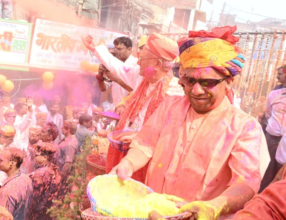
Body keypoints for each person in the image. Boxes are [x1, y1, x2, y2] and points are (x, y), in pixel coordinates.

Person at [112, 26, 270, 219]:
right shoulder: (170, 106)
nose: (195, 91)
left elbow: (246, 183)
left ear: (229, 81)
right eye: (188, 81)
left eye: (206, 83)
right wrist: (128, 163)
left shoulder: (244, 127)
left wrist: (213, 207)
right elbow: (145, 144)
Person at [86, 33, 182, 182]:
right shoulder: (141, 76)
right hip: (127, 152)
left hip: (151, 161)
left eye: (142, 59)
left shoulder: (176, 92)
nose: (138, 63)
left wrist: (139, 136)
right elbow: (118, 67)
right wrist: (96, 47)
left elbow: (172, 136)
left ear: (157, 64)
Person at [82, 36, 141, 107]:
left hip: (129, 109)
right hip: (117, 108)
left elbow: (137, 92)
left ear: (129, 49)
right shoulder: (114, 65)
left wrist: (115, 79)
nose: (117, 52)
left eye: (120, 49)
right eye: (115, 49)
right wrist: (100, 76)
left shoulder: (137, 66)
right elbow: (103, 88)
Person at [0, 148, 33, 220]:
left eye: (1, 160)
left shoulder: (7, 191)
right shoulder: (26, 179)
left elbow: (3, 218)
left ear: (12, 163)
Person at [259, 85, 286, 192]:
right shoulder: (275, 95)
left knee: (281, 174)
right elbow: (268, 114)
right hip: (272, 138)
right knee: (267, 168)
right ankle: (261, 195)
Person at [28, 142, 61, 220]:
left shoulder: (39, 174)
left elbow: (35, 197)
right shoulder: (54, 168)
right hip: (49, 209)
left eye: (36, 155)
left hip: (38, 212)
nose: (34, 157)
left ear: (45, 157)